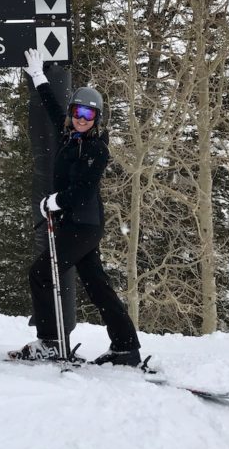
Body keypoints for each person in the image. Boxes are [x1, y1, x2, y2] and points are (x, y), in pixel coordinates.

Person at [10, 49, 142, 366]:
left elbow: (84, 190)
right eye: (79, 113)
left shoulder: (97, 149)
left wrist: (53, 201)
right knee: (97, 285)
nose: (83, 120)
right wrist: (39, 76)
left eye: (90, 116)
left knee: (41, 274)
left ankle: (51, 343)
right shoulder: (69, 134)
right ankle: (126, 347)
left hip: (85, 225)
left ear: (96, 120)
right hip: (74, 224)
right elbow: (53, 108)